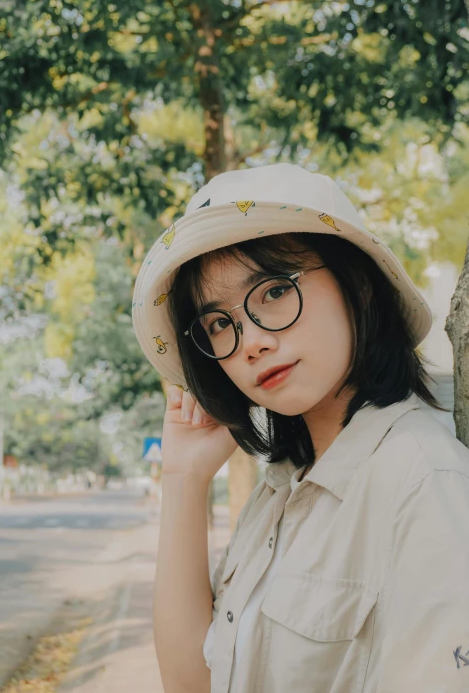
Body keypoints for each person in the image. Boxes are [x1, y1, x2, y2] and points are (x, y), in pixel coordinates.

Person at [131, 162, 469, 693]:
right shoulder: (280, 490)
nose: (250, 342)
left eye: (272, 291)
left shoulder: (424, 482)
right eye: (219, 323)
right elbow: (190, 683)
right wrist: (182, 480)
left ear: (356, 282)